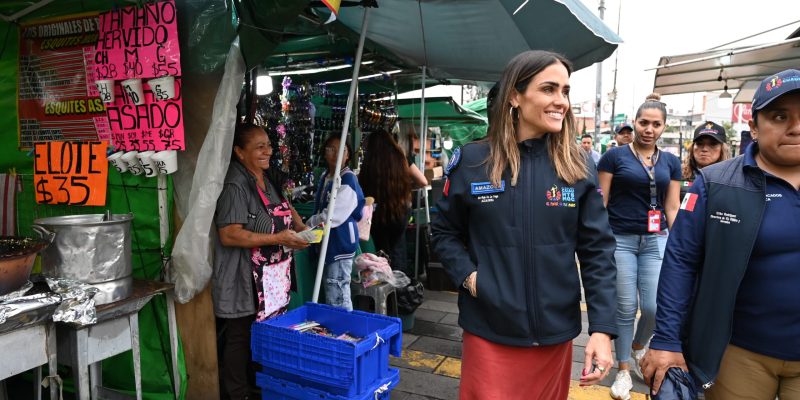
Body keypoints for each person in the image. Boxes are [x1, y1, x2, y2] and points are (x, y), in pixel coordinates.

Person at [431, 50, 617, 399]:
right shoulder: (473, 161)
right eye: (548, 89)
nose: (560, 101)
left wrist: (603, 330)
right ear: (515, 96)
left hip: (554, 334)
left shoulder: (577, 166)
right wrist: (472, 279)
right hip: (489, 329)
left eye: (565, 91)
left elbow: (598, 252)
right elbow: (443, 232)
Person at [641, 69, 800, 399]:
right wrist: (667, 340)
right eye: (779, 116)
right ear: (754, 126)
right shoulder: (715, 183)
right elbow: (681, 261)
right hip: (738, 354)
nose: (795, 127)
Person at [213, 123, 309, 400]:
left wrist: (303, 229)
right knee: (239, 336)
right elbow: (229, 234)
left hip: (270, 277)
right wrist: (279, 237)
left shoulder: (265, 179)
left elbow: (284, 208)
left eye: (268, 144)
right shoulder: (235, 184)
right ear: (239, 152)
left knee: (265, 333)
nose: (268, 151)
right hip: (243, 276)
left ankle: (262, 385)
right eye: (259, 147)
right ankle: (238, 393)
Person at [597, 93, 682, 400]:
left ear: (663, 127)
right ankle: (622, 370)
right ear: (634, 123)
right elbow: (601, 201)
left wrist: (679, 244)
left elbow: (672, 207)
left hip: (656, 239)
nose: (649, 129)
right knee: (624, 308)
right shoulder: (614, 157)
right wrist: (597, 240)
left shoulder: (671, 162)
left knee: (655, 307)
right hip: (620, 239)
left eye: (656, 124)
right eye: (643, 122)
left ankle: (637, 346)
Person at [307, 135, 365, 311]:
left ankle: (344, 333)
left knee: (338, 292)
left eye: (342, 150)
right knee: (332, 290)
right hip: (329, 242)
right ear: (324, 153)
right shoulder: (327, 176)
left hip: (339, 243)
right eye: (331, 148)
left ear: (347, 155)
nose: (336, 153)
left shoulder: (348, 179)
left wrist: (309, 223)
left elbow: (334, 215)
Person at [359, 129, 416, 275]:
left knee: (379, 255)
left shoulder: (370, 163)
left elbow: (363, 190)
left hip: (378, 215)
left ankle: (386, 290)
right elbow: (421, 180)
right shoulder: (400, 158)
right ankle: (398, 289)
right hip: (399, 211)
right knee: (397, 250)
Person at [679, 121, 730, 198]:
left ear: (722, 149)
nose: (705, 149)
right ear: (692, 147)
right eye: (699, 143)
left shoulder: (732, 178)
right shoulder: (677, 174)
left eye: (712, 144)